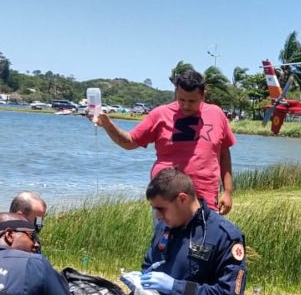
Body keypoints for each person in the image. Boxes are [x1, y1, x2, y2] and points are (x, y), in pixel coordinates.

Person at [90, 69, 236, 214]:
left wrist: (228, 191)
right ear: (176, 93)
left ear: (203, 95)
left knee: (206, 238)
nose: (185, 106)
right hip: (166, 201)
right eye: (181, 100)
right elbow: (129, 142)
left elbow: (224, 153)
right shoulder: (159, 115)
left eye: (192, 101)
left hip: (206, 201)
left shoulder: (216, 114)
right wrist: (108, 126)